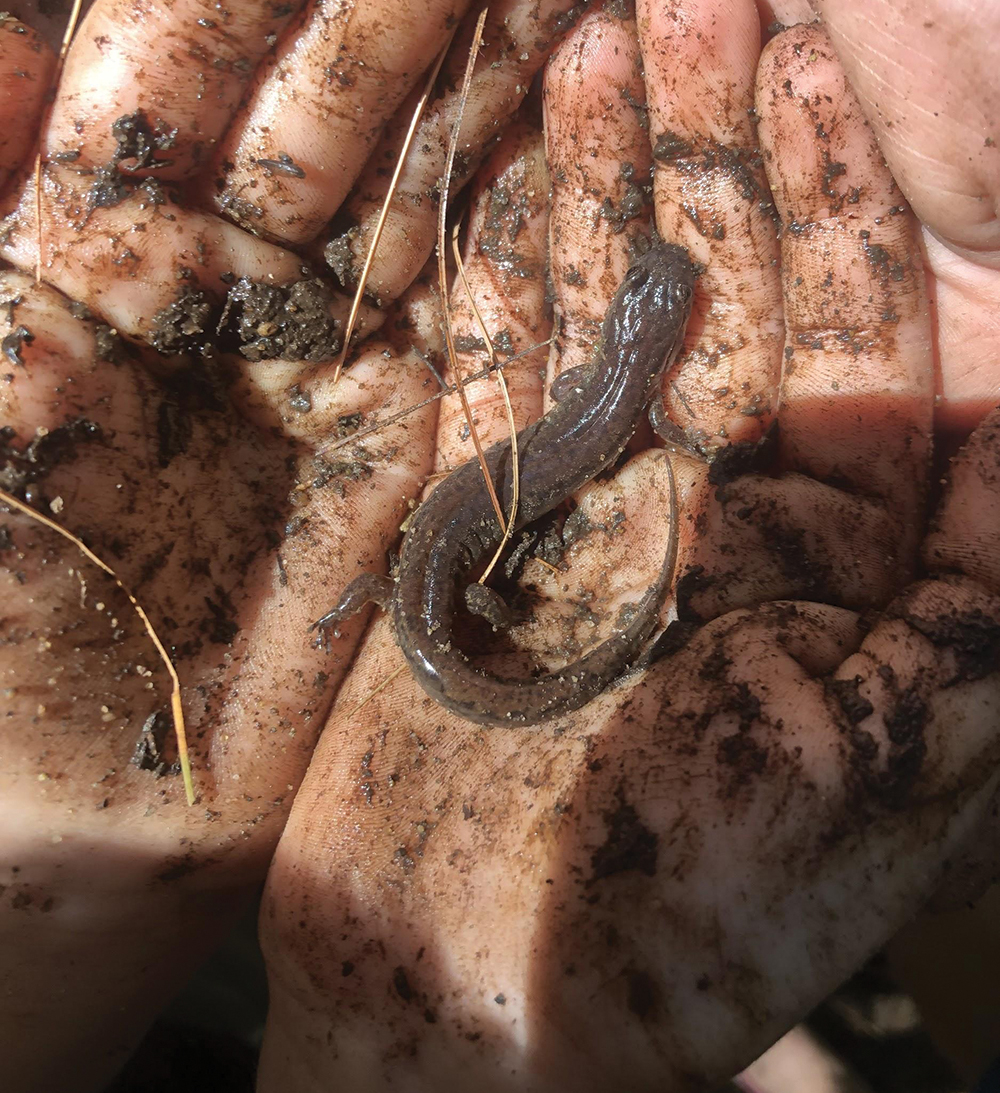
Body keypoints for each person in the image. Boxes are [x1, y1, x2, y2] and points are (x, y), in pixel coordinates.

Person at [0, 0, 997, 1090]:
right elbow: (590, 409)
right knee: (465, 569)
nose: (651, 319)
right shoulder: (619, 401)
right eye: (651, 310)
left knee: (467, 557)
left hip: (458, 547)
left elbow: (585, 401)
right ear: (646, 341)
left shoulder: (605, 391)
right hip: (456, 558)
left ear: (644, 343)